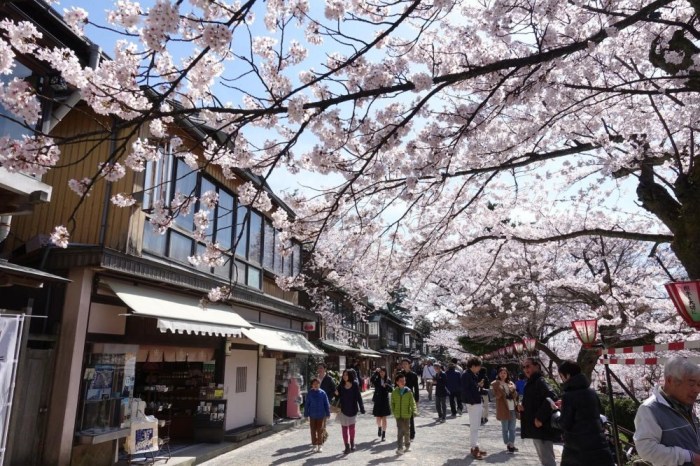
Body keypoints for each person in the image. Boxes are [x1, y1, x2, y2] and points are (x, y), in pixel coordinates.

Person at [633, 356, 700, 466]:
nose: (697, 390)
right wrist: (689, 456)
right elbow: (647, 450)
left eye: (699, 384)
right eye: (691, 383)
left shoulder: (685, 405)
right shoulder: (649, 409)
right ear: (670, 380)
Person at [552, 360, 614, 465]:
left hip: (577, 448)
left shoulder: (568, 395)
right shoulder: (592, 392)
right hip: (598, 444)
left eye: (561, 376)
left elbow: (564, 423)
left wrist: (555, 414)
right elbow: (598, 413)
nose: (561, 380)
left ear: (567, 375)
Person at [518, 357, 559, 466]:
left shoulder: (540, 381)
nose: (525, 369)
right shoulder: (531, 382)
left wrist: (540, 417)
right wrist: (523, 406)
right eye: (524, 367)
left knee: (547, 460)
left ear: (537, 366)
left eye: (528, 366)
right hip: (536, 427)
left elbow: (551, 397)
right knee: (544, 458)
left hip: (542, 427)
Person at [461, 357, 488, 460]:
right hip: (473, 403)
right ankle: (474, 447)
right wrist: (472, 401)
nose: (479, 368)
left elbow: (472, 388)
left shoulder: (471, 374)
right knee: (474, 426)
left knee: (476, 426)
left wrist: (478, 386)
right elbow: (465, 390)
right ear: (473, 366)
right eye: (478, 366)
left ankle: (475, 446)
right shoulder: (466, 375)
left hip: (476, 401)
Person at [335, 369, 365, 454]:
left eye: (346, 375)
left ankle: (352, 443)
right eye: (343, 375)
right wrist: (336, 393)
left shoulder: (355, 385)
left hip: (353, 409)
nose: (344, 376)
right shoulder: (341, 385)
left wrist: (362, 407)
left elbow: (359, 397)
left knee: (352, 428)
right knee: (344, 429)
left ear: (350, 376)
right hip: (343, 410)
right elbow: (337, 397)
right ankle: (346, 446)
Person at [491, 366, 519, 454]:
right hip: (503, 408)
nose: (503, 375)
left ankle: (511, 444)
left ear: (507, 374)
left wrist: (513, 391)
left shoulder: (510, 383)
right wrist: (500, 388)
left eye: (505, 373)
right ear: (498, 374)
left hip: (512, 408)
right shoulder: (494, 384)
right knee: (505, 428)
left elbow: (516, 396)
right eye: (501, 373)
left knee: (512, 428)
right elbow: (495, 397)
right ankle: (507, 442)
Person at [391, 373, 417, 455]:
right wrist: (394, 412)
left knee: (406, 431)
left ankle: (407, 445)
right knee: (400, 432)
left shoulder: (408, 391)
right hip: (398, 415)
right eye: (400, 381)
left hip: (407, 415)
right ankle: (400, 448)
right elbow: (392, 403)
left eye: (404, 380)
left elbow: (412, 402)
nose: (402, 382)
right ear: (397, 382)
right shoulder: (394, 392)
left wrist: (414, 411)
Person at [303, 377, 331, 453]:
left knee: (320, 431)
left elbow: (326, 404)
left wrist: (328, 413)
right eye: (314, 384)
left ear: (319, 384)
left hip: (321, 415)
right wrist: (306, 414)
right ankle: (314, 445)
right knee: (313, 430)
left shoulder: (323, 393)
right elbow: (307, 405)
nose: (315, 385)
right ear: (312, 385)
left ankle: (320, 445)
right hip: (312, 415)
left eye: (317, 384)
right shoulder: (310, 393)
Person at [370, 367, 393, 441]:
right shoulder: (377, 379)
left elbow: (391, 390)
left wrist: (387, 386)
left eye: (383, 372)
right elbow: (371, 380)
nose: (382, 373)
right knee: (378, 418)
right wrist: (375, 372)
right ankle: (379, 427)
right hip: (378, 400)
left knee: (384, 419)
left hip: (385, 401)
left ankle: (384, 434)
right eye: (380, 372)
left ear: (385, 372)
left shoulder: (388, 380)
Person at [400, 358, 420, 440]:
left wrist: (417, 400)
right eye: (403, 364)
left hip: (410, 397)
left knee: (410, 417)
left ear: (409, 365)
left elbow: (416, 388)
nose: (404, 365)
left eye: (406, 364)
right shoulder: (400, 374)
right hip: (401, 397)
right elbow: (396, 386)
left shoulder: (414, 375)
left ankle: (412, 433)